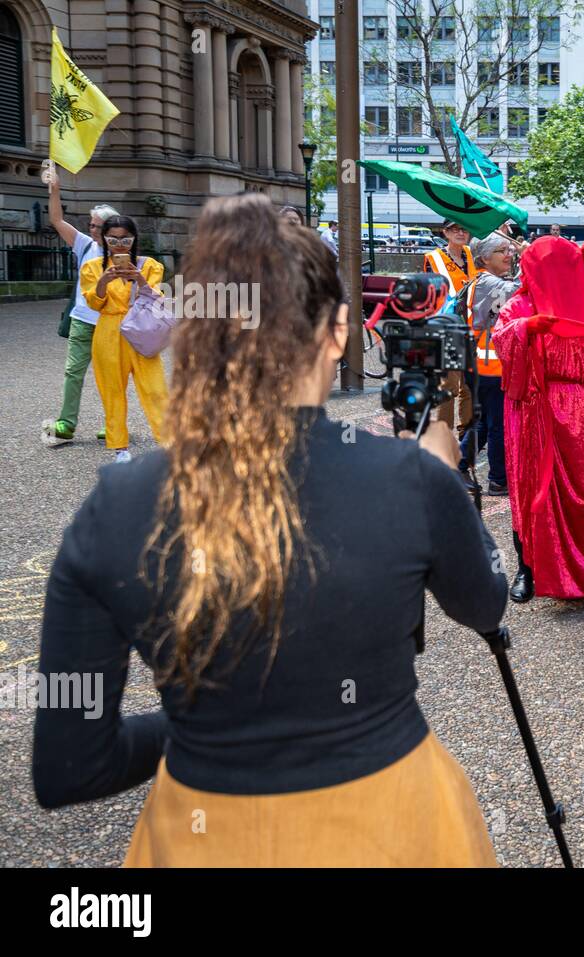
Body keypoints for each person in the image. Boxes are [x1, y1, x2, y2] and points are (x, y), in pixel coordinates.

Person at [34, 194, 507, 866]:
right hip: (398, 823)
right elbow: (488, 602)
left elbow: (70, 766)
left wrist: (216, 723)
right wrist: (444, 477)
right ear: (337, 331)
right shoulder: (413, 480)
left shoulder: (114, 504)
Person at [494, 236, 584, 603]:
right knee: (533, 493)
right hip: (535, 409)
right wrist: (527, 329)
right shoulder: (518, 305)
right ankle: (529, 569)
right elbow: (501, 338)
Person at [81, 214, 167, 464]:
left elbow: (156, 298)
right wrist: (103, 282)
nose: (119, 245)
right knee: (112, 390)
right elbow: (94, 303)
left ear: (134, 239)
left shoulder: (149, 265)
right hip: (108, 330)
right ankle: (120, 448)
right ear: (105, 240)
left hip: (140, 327)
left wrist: (138, 278)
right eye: (113, 239)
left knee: (155, 389)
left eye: (125, 239)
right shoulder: (93, 267)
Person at [40, 167, 117, 447]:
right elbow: (56, 219)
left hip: (109, 323)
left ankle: (113, 424)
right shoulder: (83, 245)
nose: (91, 229)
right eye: (91, 224)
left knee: (109, 375)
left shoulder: (121, 251)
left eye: (96, 225)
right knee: (73, 372)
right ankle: (66, 424)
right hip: (82, 320)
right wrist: (56, 189)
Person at [459, 231, 521, 495]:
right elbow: (519, 291)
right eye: (502, 251)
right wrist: (531, 261)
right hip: (490, 367)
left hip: (483, 365)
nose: (509, 255)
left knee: (485, 422)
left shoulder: (484, 281)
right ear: (484, 258)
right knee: (498, 424)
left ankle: (457, 465)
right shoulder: (488, 283)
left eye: (510, 249)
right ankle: (497, 478)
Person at [424, 219, 479, 469]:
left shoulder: (471, 254)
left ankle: (465, 436)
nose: (460, 232)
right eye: (455, 228)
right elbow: (428, 295)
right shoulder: (433, 258)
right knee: (448, 384)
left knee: (468, 385)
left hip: (471, 328)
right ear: (445, 232)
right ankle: (443, 436)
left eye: (464, 228)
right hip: (446, 327)